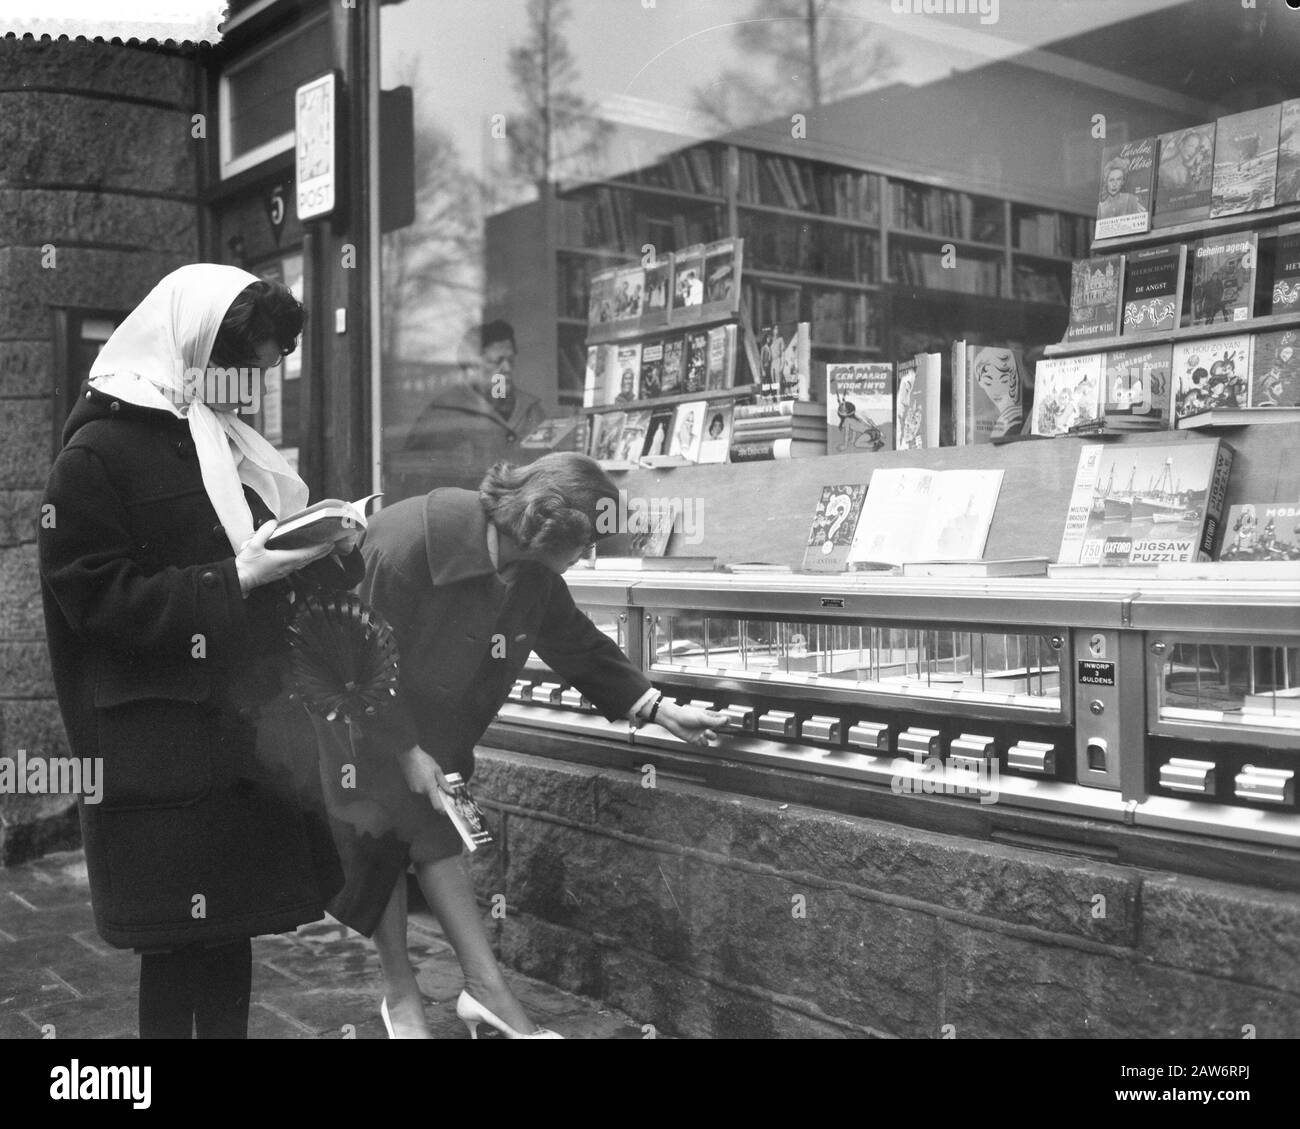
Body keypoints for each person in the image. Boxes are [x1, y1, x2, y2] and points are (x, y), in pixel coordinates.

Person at [38, 265, 364, 1038]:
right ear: (193, 347)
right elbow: (95, 603)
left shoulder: (224, 440)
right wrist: (237, 574)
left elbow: (263, 566)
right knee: (178, 946)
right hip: (162, 746)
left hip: (238, 738)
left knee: (232, 929)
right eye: (241, 366)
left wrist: (330, 545)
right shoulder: (95, 456)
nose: (250, 388)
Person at [328, 454, 725, 1038]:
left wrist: (659, 709)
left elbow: (576, 643)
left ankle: (483, 990)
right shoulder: (413, 542)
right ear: (546, 523)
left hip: (430, 720)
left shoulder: (530, 566)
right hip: (355, 709)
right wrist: (406, 749)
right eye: (585, 542)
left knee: (434, 835)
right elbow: (352, 659)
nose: (585, 556)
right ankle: (402, 994)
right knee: (377, 836)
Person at [403, 320, 546, 491]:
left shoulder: (531, 410)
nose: (506, 368)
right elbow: (415, 481)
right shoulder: (443, 413)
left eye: (511, 360)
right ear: (471, 366)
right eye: (497, 361)